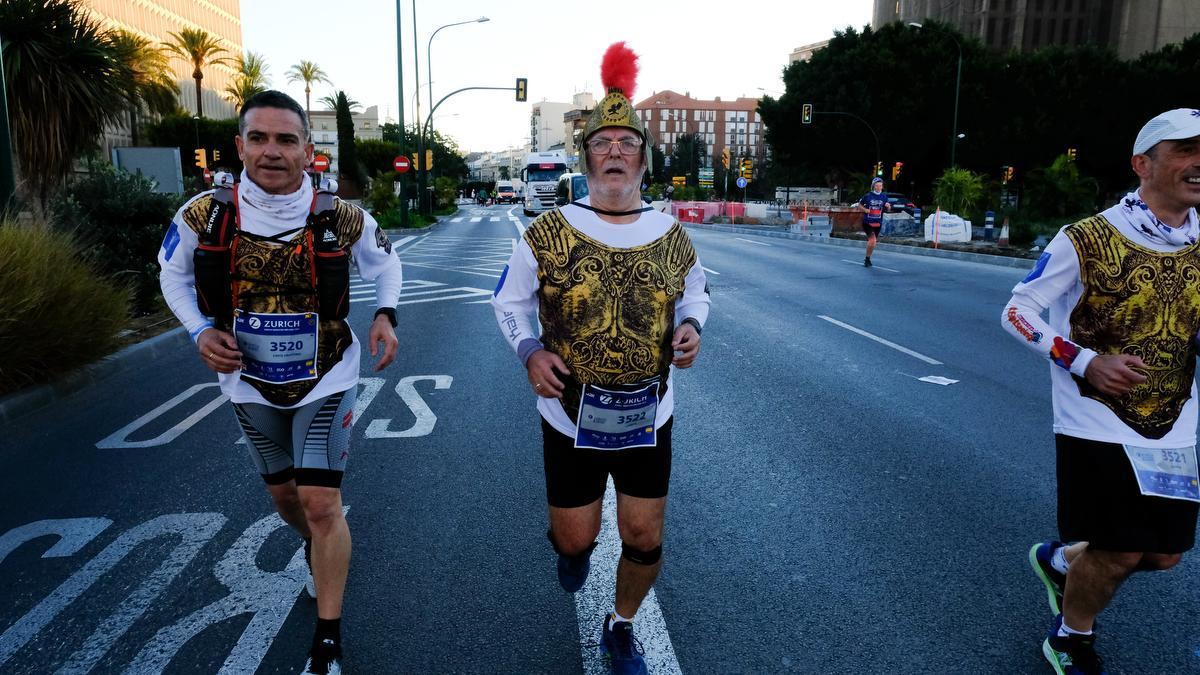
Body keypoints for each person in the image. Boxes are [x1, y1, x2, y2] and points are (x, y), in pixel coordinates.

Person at [158, 90, 402, 675]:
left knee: (321, 504)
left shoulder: (339, 215)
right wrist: (198, 332)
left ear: (307, 150)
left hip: (328, 377)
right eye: (260, 138)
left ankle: (327, 642)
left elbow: (385, 261)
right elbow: (171, 274)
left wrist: (386, 314)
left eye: (286, 139)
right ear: (240, 145)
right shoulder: (202, 215)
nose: (272, 151)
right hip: (245, 384)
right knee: (286, 500)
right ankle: (315, 542)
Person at [491, 42, 709, 675]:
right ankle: (571, 547)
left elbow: (695, 291)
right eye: (603, 141)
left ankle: (620, 627)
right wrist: (530, 350)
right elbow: (507, 303)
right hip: (569, 415)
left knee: (644, 537)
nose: (615, 151)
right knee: (575, 538)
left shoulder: (670, 232)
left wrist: (691, 326)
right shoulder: (549, 230)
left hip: (648, 412)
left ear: (643, 156)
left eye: (628, 142)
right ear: (586, 155)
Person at [1001, 108, 1200, 675]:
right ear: (1143, 164)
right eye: (1186, 150)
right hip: (1096, 423)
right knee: (1120, 549)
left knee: (1164, 555)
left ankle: (1062, 562)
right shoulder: (1087, 238)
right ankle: (1070, 638)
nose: (1199, 163)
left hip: (1174, 427)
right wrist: (1084, 361)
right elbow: (1018, 311)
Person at [856, 177, 891, 266]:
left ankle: (868, 258)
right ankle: (867, 260)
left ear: (882, 186)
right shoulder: (868, 196)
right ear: (873, 186)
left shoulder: (884, 197)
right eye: (877, 186)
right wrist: (865, 210)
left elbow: (888, 209)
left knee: (873, 242)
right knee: (872, 240)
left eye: (880, 185)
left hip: (878, 222)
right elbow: (859, 205)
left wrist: (888, 206)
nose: (879, 187)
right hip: (867, 222)